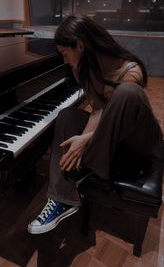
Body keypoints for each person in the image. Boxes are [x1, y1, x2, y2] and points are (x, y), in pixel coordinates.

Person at [27, 14, 163, 235]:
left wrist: (86, 141)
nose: (64, 60)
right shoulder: (82, 69)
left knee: (127, 93)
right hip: (110, 139)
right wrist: (81, 139)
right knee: (68, 115)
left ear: (79, 45)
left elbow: (120, 113)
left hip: (141, 141)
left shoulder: (131, 69)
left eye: (65, 54)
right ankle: (62, 199)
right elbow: (99, 110)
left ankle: (83, 169)